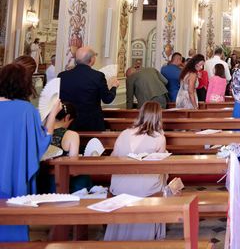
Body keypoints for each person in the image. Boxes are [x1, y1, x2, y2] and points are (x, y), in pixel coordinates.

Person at [0, 63, 59, 242]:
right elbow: (40, 144)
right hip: (13, 175)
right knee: (13, 222)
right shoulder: (26, 110)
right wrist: (52, 115)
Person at [104, 101, 167, 241]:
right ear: (158, 117)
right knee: (164, 176)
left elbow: (112, 159)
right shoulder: (159, 138)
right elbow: (160, 167)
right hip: (145, 189)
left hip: (120, 187)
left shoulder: (124, 133)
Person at [59, 46, 118, 131]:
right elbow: (107, 99)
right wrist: (114, 86)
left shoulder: (62, 76)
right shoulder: (97, 76)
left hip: (69, 123)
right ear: (92, 59)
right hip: (92, 124)